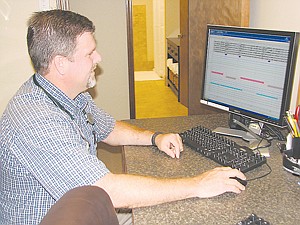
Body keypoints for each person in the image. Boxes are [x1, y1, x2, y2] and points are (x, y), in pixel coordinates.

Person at [0, 10, 246, 224]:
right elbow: (106, 190)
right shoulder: (35, 119)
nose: (99, 59)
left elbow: (108, 129)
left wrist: (155, 137)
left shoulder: (69, 94)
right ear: (61, 64)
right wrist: (197, 184)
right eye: (90, 53)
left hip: (86, 211)